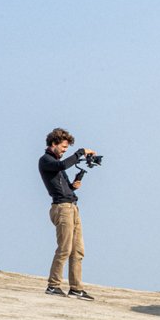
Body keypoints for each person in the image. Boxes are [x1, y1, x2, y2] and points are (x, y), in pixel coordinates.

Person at [38, 127, 97, 300]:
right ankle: (53, 285)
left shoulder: (56, 162)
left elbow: (63, 183)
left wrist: (73, 185)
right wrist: (80, 153)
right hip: (61, 208)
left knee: (78, 250)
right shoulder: (46, 160)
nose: (64, 151)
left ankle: (76, 289)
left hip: (72, 207)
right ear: (54, 143)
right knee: (65, 248)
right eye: (63, 147)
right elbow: (62, 165)